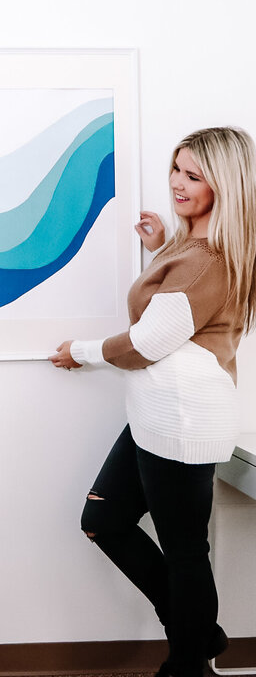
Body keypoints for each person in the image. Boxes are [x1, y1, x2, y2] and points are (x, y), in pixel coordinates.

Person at [49, 127, 256, 677]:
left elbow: (146, 343)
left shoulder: (206, 259)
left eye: (194, 175)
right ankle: (198, 632)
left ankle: (186, 661)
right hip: (157, 418)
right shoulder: (195, 247)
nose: (177, 183)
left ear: (226, 185)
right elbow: (178, 308)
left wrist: (80, 353)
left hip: (182, 419)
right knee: (103, 519)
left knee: (185, 549)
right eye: (176, 169)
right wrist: (162, 245)